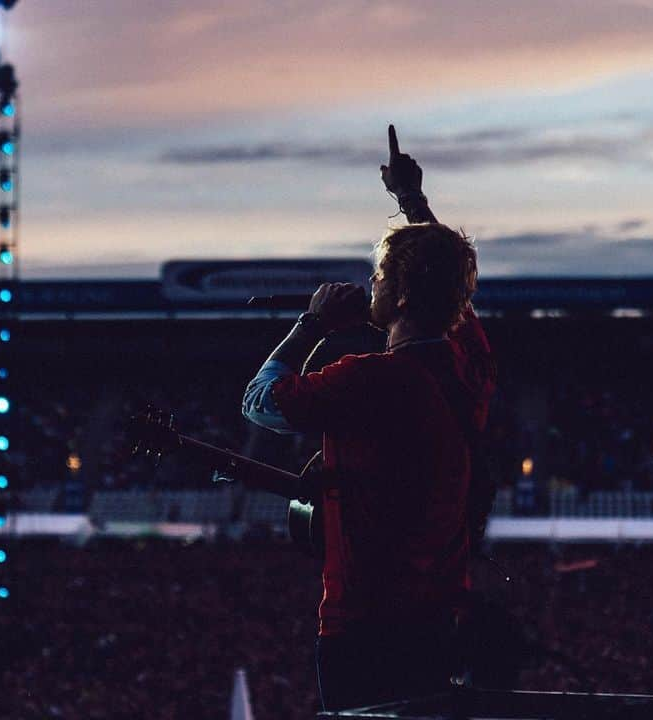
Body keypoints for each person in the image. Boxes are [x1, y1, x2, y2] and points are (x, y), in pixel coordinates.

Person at [241, 125, 497, 712]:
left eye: (379, 276)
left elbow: (260, 401)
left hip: (363, 624)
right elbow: (449, 284)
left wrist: (313, 324)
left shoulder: (367, 378)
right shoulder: (471, 365)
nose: (370, 284)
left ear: (402, 296)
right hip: (439, 618)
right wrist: (411, 202)